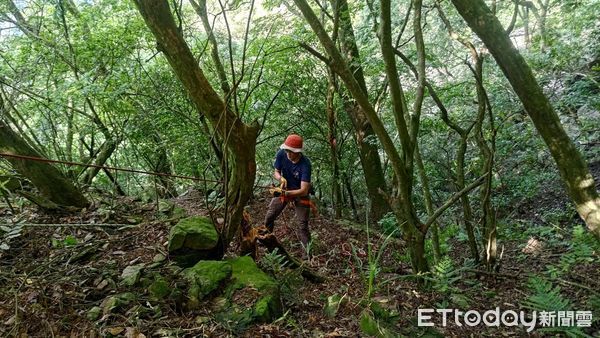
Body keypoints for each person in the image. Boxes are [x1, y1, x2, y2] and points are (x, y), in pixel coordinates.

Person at [264, 134, 312, 256]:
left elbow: (304, 190)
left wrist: (287, 193)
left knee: (302, 225)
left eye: (291, 152)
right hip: (284, 189)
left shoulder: (305, 165)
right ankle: (266, 241)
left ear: (298, 152)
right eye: (286, 151)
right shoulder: (282, 154)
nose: (288, 154)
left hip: (299, 194)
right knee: (270, 216)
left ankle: (307, 255)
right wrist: (281, 179)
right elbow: (276, 171)